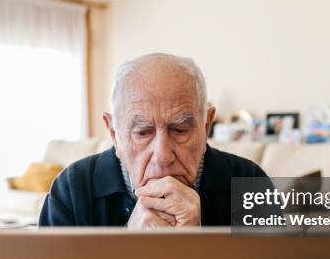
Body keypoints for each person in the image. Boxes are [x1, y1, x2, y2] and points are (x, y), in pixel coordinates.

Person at [39, 53, 268, 228]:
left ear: (206, 125)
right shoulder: (71, 189)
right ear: (114, 134)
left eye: (179, 130)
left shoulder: (250, 181)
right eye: (142, 133)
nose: (163, 156)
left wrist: (201, 248)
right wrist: (129, 247)